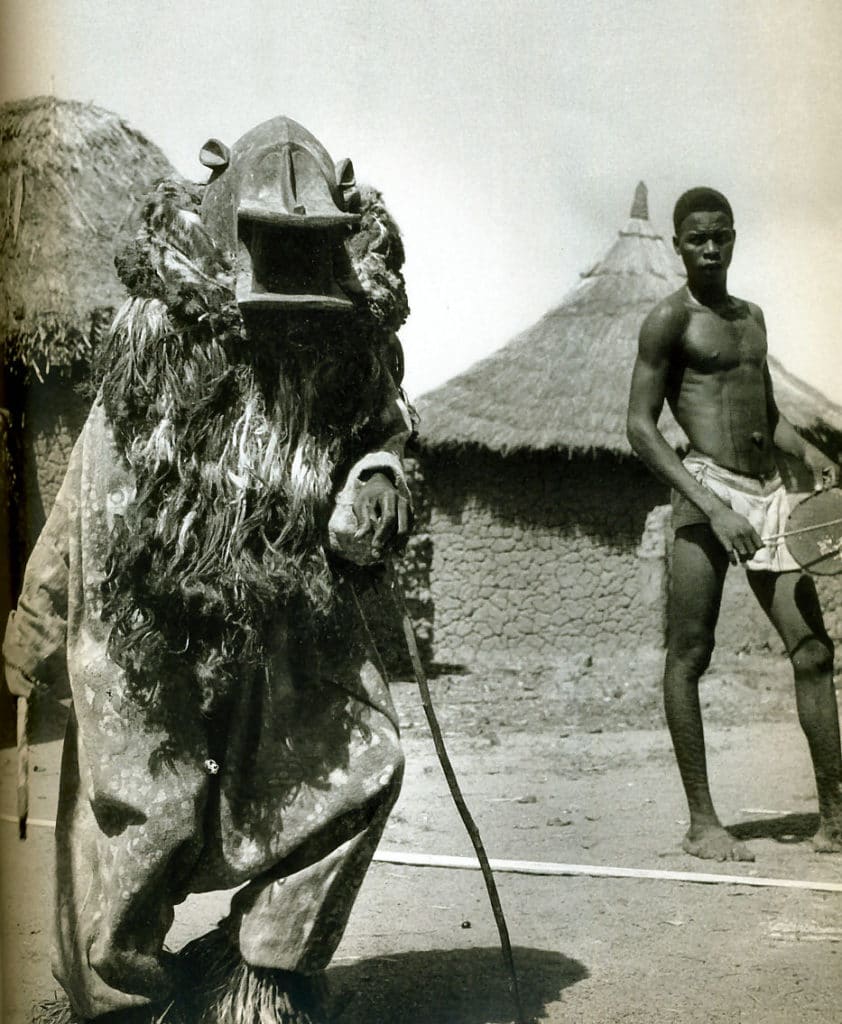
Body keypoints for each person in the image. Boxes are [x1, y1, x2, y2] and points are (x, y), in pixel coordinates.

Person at [4, 116, 414, 1024]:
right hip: (140, 603)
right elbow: (86, 480)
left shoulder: (350, 339)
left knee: (361, 764)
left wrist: (375, 478)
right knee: (142, 807)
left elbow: (382, 432)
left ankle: (258, 973)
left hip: (280, 608)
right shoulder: (159, 336)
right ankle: (123, 1001)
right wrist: (39, 613)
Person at [627, 186, 842, 862]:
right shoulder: (668, 320)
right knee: (690, 653)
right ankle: (702, 824)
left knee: (814, 651)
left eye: (721, 235)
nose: (711, 248)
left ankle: (834, 821)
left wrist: (807, 451)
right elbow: (639, 426)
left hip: (768, 491)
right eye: (697, 238)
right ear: (678, 243)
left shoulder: (752, 320)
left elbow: (767, 412)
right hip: (707, 493)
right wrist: (713, 506)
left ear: (734, 237)